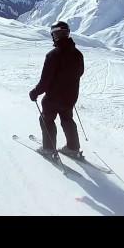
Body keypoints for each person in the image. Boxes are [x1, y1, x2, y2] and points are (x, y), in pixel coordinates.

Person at [29, 21, 84, 158]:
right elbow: (80, 73)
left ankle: (48, 148)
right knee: (67, 119)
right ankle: (73, 148)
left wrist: (35, 92)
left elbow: (45, 81)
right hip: (70, 96)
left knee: (46, 119)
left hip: (53, 97)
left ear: (56, 35)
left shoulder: (53, 55)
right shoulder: (78, 54)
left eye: (53, 34)